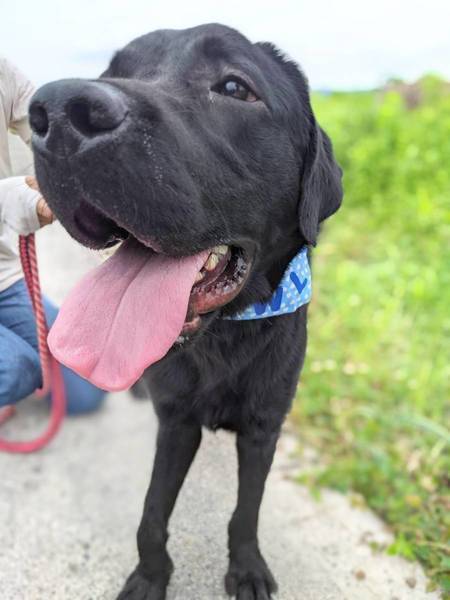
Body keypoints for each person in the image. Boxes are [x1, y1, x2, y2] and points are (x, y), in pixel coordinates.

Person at [0, 56, 106, 413]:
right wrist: (17, 199)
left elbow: (49, 133)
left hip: (3, 279)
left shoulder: (3, 72)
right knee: (17, 369)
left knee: (87, 389)